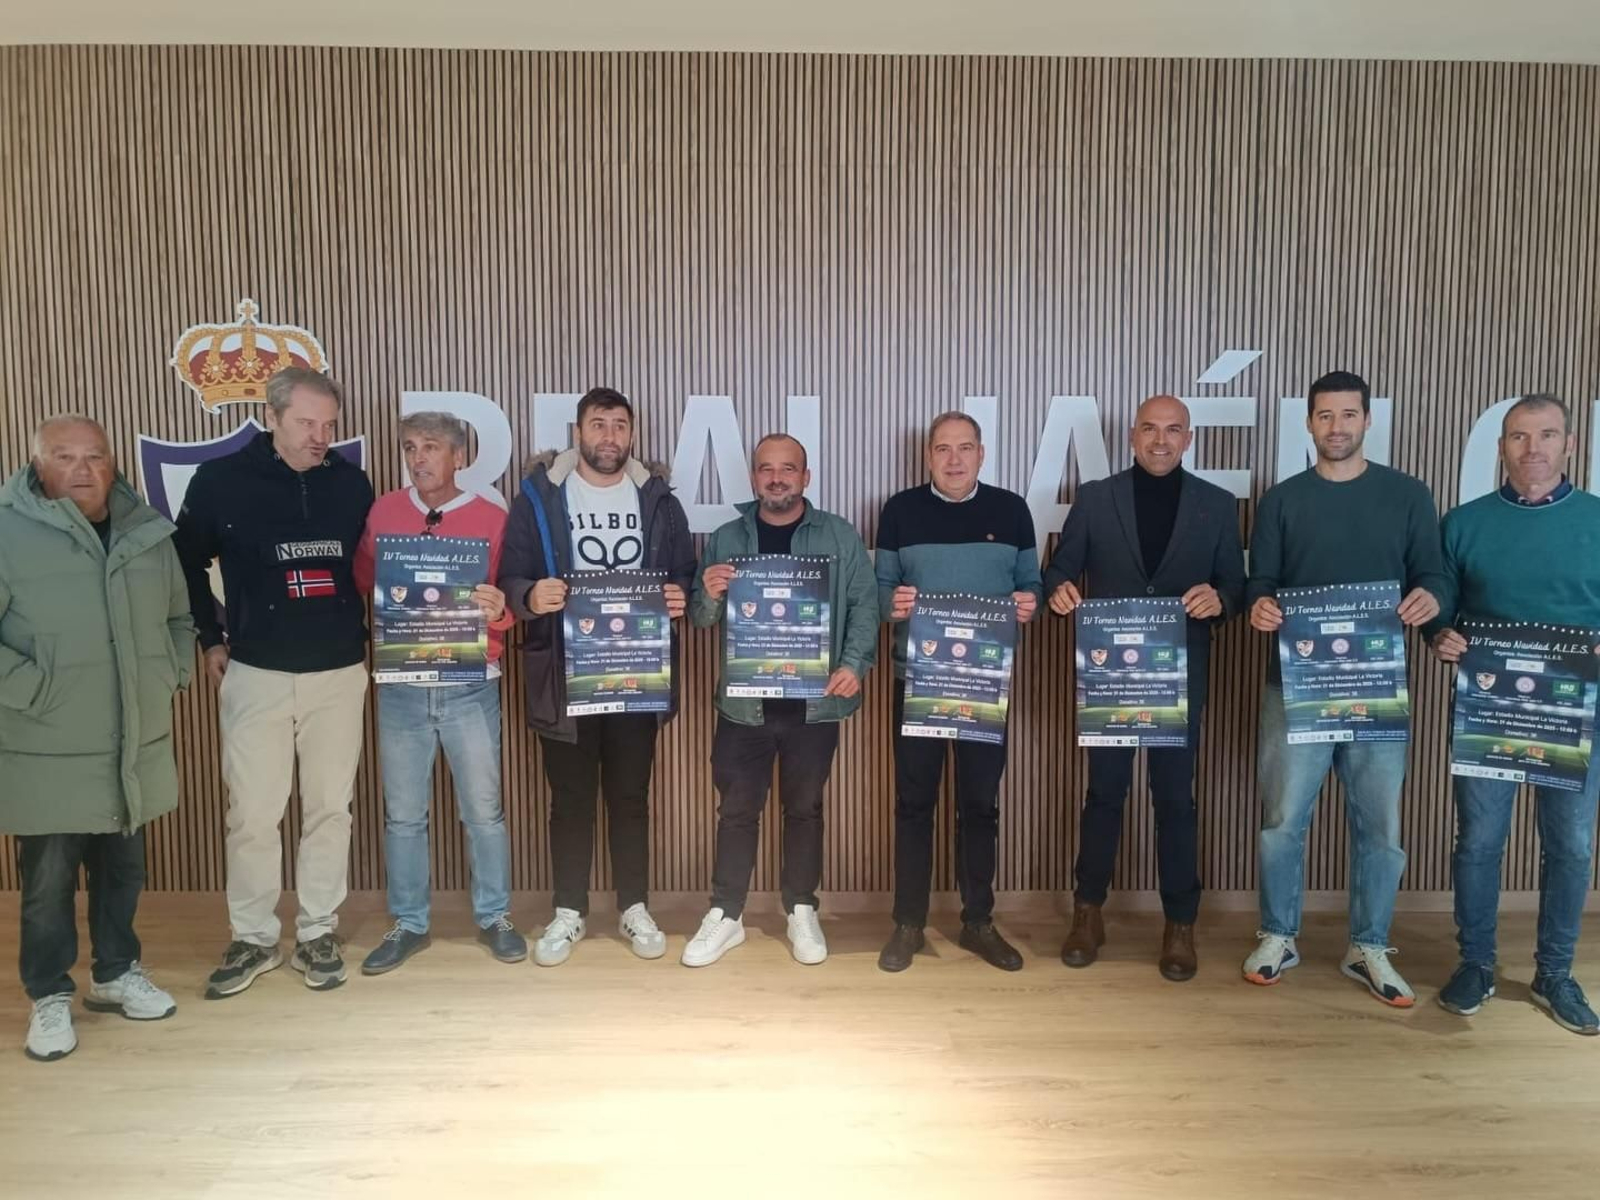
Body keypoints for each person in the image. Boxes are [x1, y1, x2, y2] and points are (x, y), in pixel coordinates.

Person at [1243, 370, 1446, 1007]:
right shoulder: (1281, 499)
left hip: (1377, 690)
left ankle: (1370, 944)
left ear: (1366, 420)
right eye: (1325, 416)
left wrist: (1431, 599)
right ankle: (1279, 934)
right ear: (1308, 422)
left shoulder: (1408, 495)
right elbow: (1260, 580)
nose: (1337, 427)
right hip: (1295, 688)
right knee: (1281, 824)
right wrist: (1259, 606)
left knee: (1380, 827)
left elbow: (1434, 574)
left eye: (1348, 415)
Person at [175, 367, 375, 997]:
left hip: (339, 671)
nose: (321, 437)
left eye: (329, 425)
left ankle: (317, 931)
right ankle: (254, 937)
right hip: (256, 673)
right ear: (273, 416)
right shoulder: (220, 480)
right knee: (254, 816)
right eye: (307, 423)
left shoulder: (352, 482)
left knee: (328, 810)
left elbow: (371, 569)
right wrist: (211, 637)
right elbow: (183, 561)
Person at [0, 416, 194, 1061]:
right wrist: (33, 689)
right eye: (65, 457)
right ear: (37, 464)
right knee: (49, 879)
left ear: (113, 464)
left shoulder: (146, 533)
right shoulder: (7, 530)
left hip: (129, 739)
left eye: (95, 457)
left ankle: (114, 975)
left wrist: (170, 670)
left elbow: (178, 617)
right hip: (48, 738)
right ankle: (48, 996)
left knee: (123, 870)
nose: (82, 469)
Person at [1044, 395, 1245, 980]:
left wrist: (1222, 600)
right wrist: (1058, 593)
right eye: (1150, 429)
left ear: (1189, 438)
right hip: (1111, 677)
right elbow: (1059, 571)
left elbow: (1236, 583)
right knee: (1104, 796)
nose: (1161, 440)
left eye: (1173, 430)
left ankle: (1180, 923)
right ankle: (1088, 912)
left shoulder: (1216, 504)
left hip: (1180, 676)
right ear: (1132, 435)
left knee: (1175, 800)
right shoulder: (1096, 498)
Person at [499, 386, 695, 966]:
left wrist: (678, 596)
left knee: (631, 797)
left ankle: (634, 906)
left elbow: (683, 571)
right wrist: (532, 593)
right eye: (598, 424)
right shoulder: (538, 496)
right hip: (565, 675)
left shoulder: (659, 500)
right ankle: (568, 910)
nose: (609, 437)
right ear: (578, 432)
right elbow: (511, 577)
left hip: (636, 672)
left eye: (619, 426)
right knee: (570, 799)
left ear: (632, 435)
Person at [1427, 394, 1600, 1035]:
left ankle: (1555, 973)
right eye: (1520, 438)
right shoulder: (1464, 522)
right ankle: (1476, 963)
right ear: (1501, 447)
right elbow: (1439, 596)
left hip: (1574, 710)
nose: (1534, 450)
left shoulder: (1597, 520)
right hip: (1488, 703)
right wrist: (1439, 632)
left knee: (1571, 845)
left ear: (1569, 444)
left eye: (1547, 436)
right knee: (1478, 840)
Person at [680, 434, 879, 967]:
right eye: (766, 469)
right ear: (753, 478)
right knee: (737, 811)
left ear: (805, 477)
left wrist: (854, 664)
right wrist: (712, 591)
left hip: (815, 704)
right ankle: (726, 915)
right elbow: (700, 619)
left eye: (787, 469)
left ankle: (801, 909)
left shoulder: (838, 535)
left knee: (805, 810)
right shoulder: (726, 537)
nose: (776, 478)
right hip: (745, 706)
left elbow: (865, 604)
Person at [352, 412, 525, 974]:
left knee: (484, 811)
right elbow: (366, 580)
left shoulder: (491, 518)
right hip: (402, 682)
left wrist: (500, 615)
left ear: (458, 457)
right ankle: (408, 922)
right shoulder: (384, 511)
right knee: (403, 814)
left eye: (430, 447)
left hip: (470, 681)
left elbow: (509, 601)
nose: (418, 458)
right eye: (409, 448)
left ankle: (495, 915)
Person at [874, 411, 1043, 973]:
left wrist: (1030, 603)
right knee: (914, 805)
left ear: (981, 453)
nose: (954, 459)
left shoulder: (1011, 509)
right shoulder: (900, 510)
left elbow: (1031, 586)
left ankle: (978, 922)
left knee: (980, 806)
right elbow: (879, 590)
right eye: (943, 449)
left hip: (984, 684)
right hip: (917, 681)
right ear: (928, 456)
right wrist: (890, 604)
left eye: (965, 448)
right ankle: (908, 923)